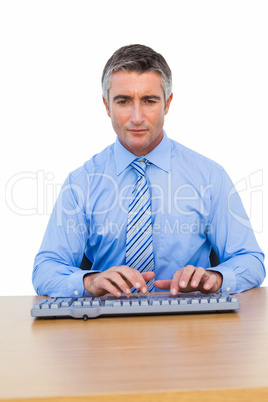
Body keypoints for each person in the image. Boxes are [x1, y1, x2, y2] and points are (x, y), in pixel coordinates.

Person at [32, 44, 265, 298]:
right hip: (106, 326)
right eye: (123, 101)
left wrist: (216, 278)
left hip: (192, 326)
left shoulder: (210, 177)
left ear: (167, 103)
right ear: (106, 106)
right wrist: (89, 281)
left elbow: (251, 261)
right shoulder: (81, 183)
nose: (137, 117)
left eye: (149, 101)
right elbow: (45, 270)